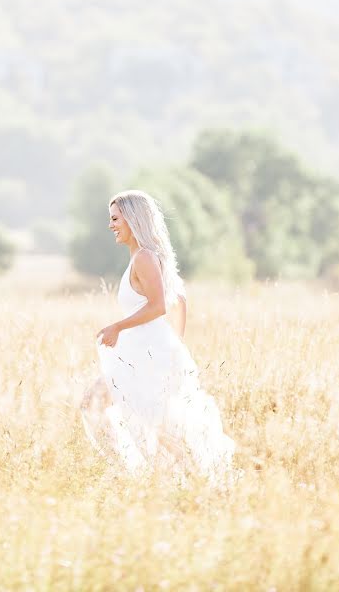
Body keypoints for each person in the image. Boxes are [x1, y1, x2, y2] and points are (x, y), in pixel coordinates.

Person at [81, 190, 235, 478]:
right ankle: (171, 476)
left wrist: (119, 327)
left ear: (132, 219)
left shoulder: (144, 258)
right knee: (152, 421)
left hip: (144, 351)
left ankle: (134, 473)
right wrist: (174, 347)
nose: (110, 225)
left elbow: (160, 305)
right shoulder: (146, 257)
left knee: (102, 406)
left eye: (115, 219)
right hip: (146, 351)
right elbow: (180, 301)